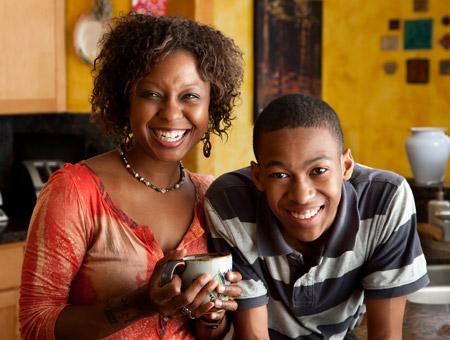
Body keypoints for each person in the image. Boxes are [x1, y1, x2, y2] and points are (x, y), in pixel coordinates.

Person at [19, 12, 244, 340]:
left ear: (211, 108)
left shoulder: (212, 196)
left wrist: (212, 315)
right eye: (152, 94)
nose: (170, 113)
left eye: (190, 96)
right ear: (125, 100)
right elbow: (35, 325)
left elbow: (210, 333)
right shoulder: (75, 192)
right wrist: (141, 303)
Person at [204, 93, 429, 340]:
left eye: (318, 170)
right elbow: (253, 336)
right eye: (280, 175)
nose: (301, 195)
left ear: (346, 166)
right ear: (258, 177)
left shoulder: (385, 200)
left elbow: (385, 335)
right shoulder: (231, 204)